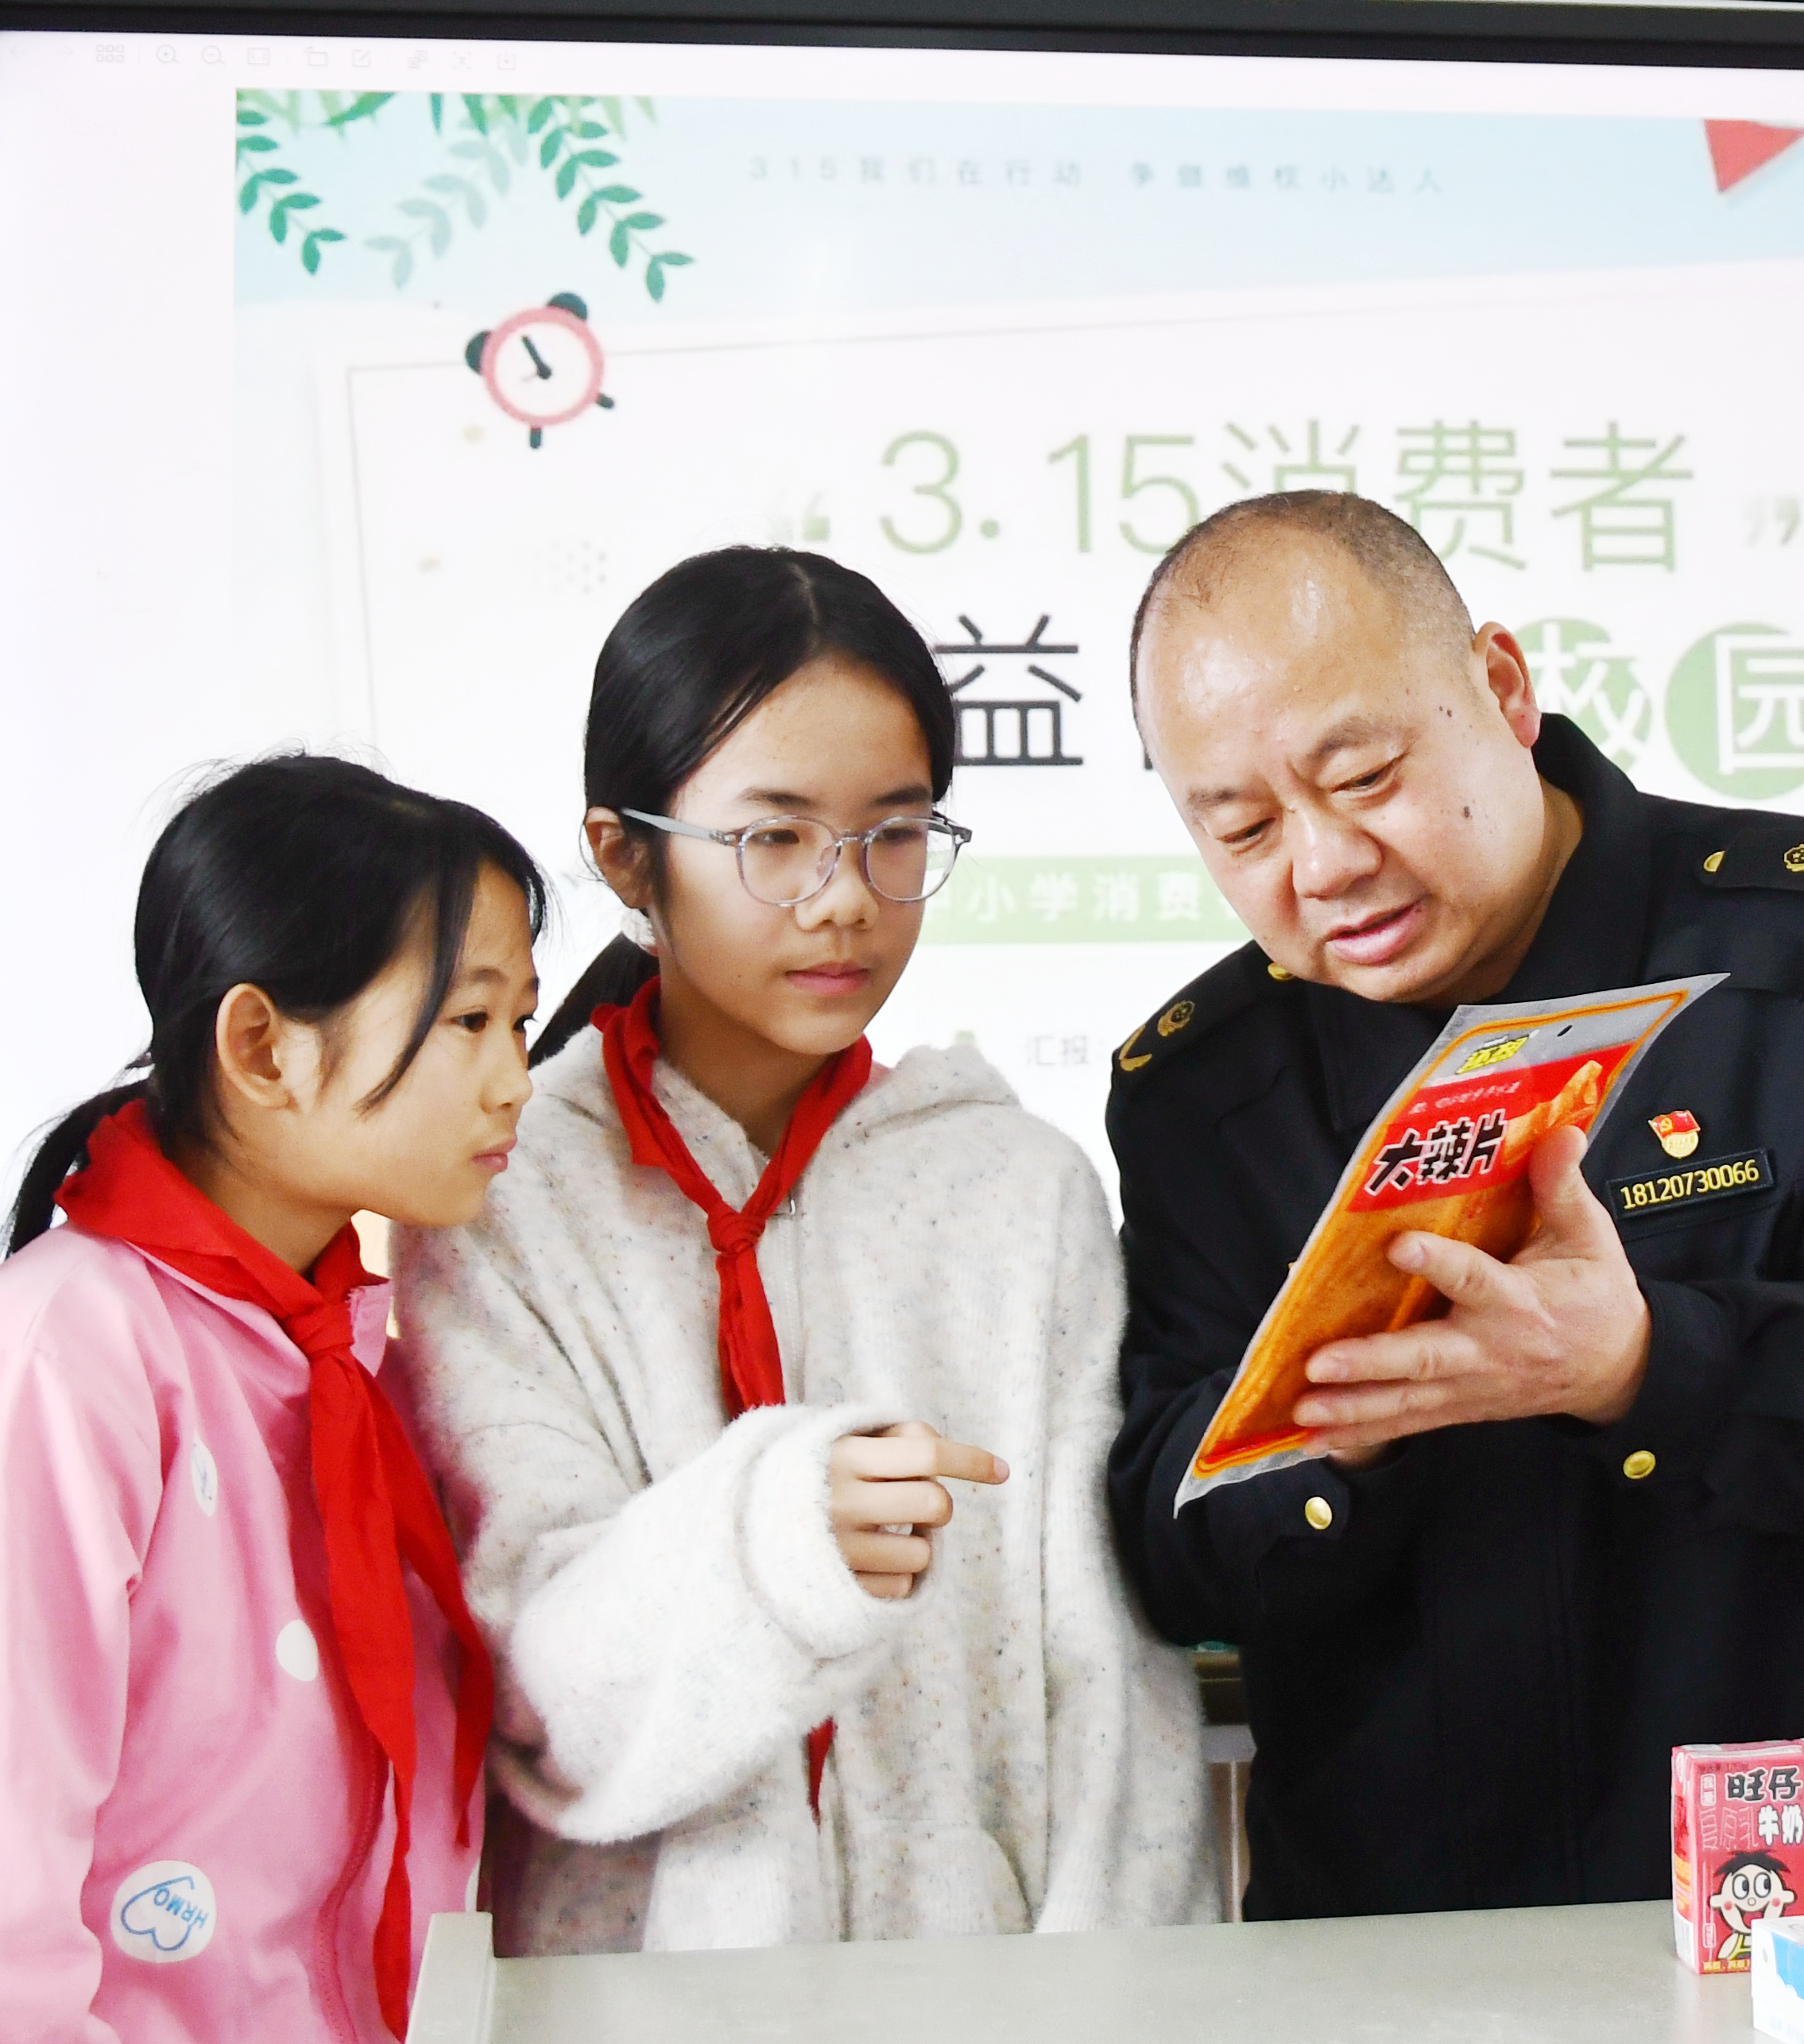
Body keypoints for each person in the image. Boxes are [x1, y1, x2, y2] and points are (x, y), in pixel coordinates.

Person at [1105, 490, 1804, 1917]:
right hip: (1396, 1949)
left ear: (1500, 688)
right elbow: (1164, 1549)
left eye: (1363, 775)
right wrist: (1330, 1447)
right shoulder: (1206, 1087)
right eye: (1242, 828)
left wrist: (1644, 1365)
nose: (1321, 866)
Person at [395, 548, 1212, 1951]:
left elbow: (1110, 1690)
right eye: (773, 840)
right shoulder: (500, 1192)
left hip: (984, 2038)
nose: (844, 899)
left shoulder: (1020, 1191)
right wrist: (778, 1537)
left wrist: (1115, 2037)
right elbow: (532, 1685)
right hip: (642, 2035)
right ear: (622, 852)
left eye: (895, 832)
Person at [0, 756, 538, 2044]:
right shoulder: (35, 1376)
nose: (514, 1082)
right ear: (262, 1047)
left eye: (526, 1021)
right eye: (473, 1021)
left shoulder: (355, 1365)